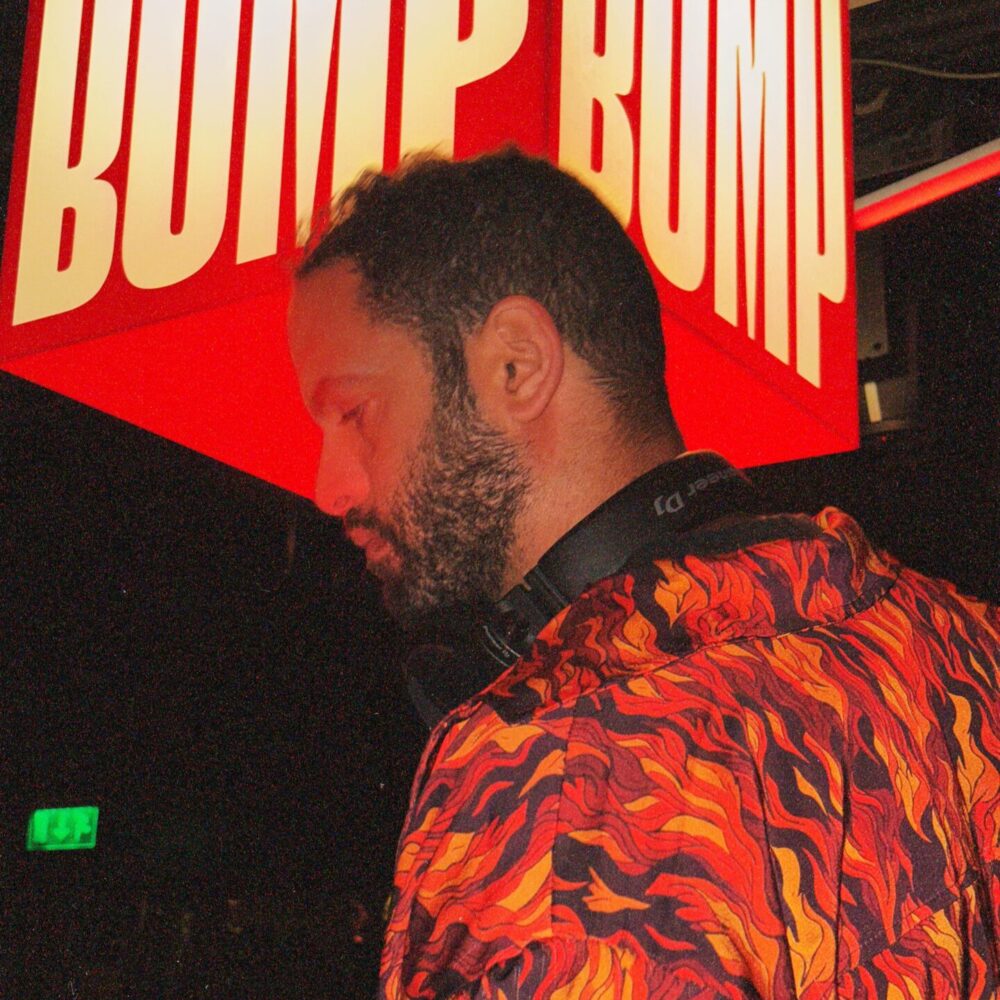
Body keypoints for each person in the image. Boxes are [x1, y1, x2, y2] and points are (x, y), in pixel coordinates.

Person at [287, 149, 1000, 999]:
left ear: (517, 365)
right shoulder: (966, 643)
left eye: (354, 412)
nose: (329, 486)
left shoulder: (554, 770)